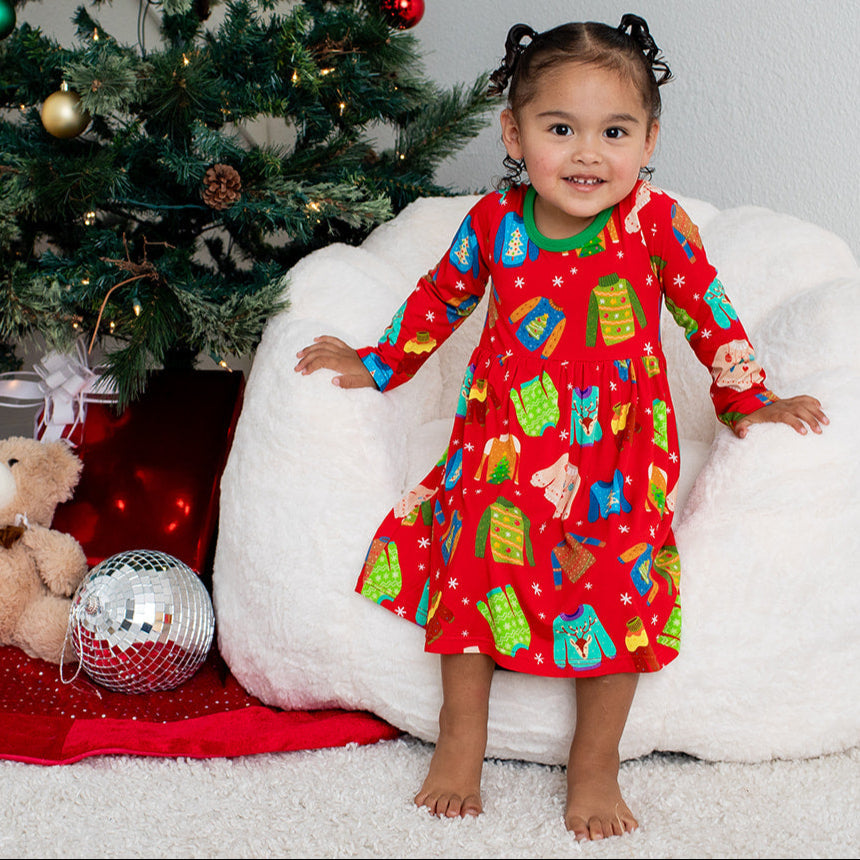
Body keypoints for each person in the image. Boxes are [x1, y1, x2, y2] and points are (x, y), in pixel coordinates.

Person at [294, 14, 828, 841]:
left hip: (618, 447)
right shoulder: (493, 225)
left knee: (621, 584)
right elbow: (440, 300)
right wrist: (377, 362)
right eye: (560, 129)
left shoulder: (654, 226)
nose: (588, 153)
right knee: (471, 560)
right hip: (505, 436)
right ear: (515, 133)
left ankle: (595, 763)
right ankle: (460, 739)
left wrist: (750, 399)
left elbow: (709, 315)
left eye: (614, 131)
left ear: (649, 139)